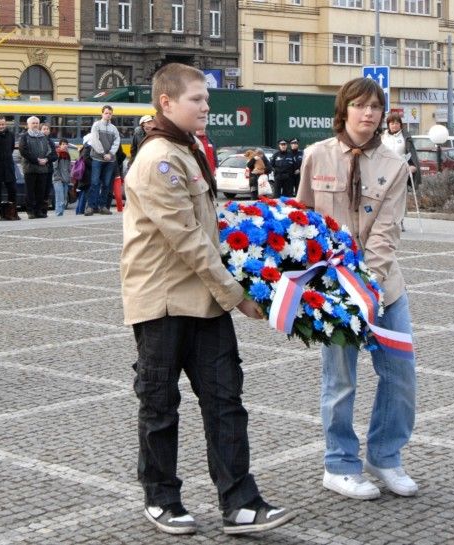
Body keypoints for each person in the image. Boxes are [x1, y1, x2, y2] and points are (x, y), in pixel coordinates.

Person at [121, 62, 295, 536]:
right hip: (163, 300)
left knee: (226, 401)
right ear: (166, 102)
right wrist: (238, 295)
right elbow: (187, 239)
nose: (206, 106)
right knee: (159, 403)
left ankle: (240, 501)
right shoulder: (159, 157)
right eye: (197, 99)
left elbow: (210, 225)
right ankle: (161, 498)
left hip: (204, 299)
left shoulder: (189, 148)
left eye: (206, 99)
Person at [298, 77, 417, 501]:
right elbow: (304, 223)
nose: (368, 114)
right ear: (343, 109)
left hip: (384, 286)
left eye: (375, 107)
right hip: (333, 290)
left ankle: (385, 456)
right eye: (360, 105)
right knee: (341, 379)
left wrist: (367, 283)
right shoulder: (316, 156)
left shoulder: (394, 165)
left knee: (400, 374)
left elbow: (387, 233)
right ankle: (340, 464)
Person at [86, 105, 120, 216]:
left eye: (110, 113)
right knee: (95, 183)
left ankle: (103, 206)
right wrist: (102, 153)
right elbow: (94, 140)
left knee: (106, 184)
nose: (108, 115)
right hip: (97, 158)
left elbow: (117, 142)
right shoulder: (96, 125)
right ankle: (91, 206)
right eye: (106, 113)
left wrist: (110, 154)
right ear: (102, 114)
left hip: (110, 160)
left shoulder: (114, 128)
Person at [18, 116, 52, 219]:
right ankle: (30, 211)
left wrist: (46, 159)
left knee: (40, 192)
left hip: (43, 169)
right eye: (33, 123)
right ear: (28, 125)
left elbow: (51, 151)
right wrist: (37, 160)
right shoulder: (24, 137)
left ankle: (38, 211)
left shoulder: (43, 137)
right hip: (30, 168)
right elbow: (23, 151)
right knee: (30, 192)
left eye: (36, 123)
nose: (35, 125)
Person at [0, 116, 20, 220]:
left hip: (8, 166)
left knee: (12, 190)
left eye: (2, 124)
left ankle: (12, 212)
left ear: (5, 124)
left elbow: (11, 148)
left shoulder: (10, 135)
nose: (1, 126)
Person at [51, 138, 71, 216]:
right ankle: (59, 213)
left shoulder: (67, 155)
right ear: (60, 145)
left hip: (65, 179)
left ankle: (61, 213)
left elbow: (68, 168)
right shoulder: (58, 154)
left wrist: (68, 178)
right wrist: (58, 177)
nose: (65, 146)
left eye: (66, 144)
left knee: (64, 198)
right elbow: (54, 167)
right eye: (63, 144)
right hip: (58, 179)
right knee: (60, 198)